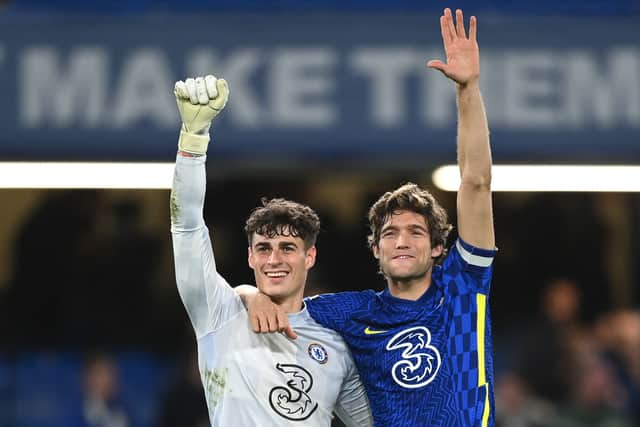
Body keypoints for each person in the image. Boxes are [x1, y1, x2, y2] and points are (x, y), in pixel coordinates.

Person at [242, 8, 497, 426]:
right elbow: (283, 292)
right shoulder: (353, 312)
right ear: (375, 250)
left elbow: (476, 183)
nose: (402, 240)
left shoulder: (464, 287)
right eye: (391, 233)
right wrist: (248, 295)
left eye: (416, 232)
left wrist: (468, 90)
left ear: (437, 247)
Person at [170, 74, 372, 426]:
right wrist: (193, 139)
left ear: (310, 257)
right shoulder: (219, 312)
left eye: (287, 248)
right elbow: (186, 225)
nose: (274, 259)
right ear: (250, 257)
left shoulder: (335, 343)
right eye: (263, 248)